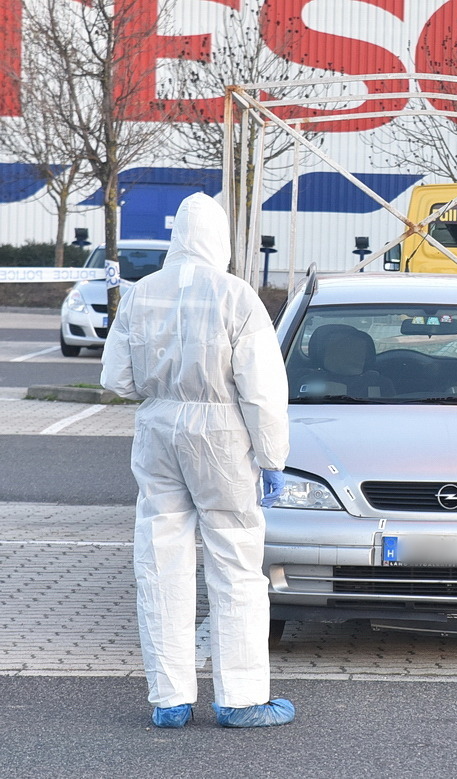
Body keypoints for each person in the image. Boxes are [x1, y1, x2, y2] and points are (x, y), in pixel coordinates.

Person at [101, 193, 296, 728]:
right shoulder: (237, 297)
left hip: (159, 430)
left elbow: (113, 378)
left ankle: (169, 698)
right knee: (235, 562)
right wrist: (272, 457)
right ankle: (241, 697)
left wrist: (160, 387)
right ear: (220, 239)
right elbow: (261, 392)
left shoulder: (142, 295)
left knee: (160, 559)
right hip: (222, 437)